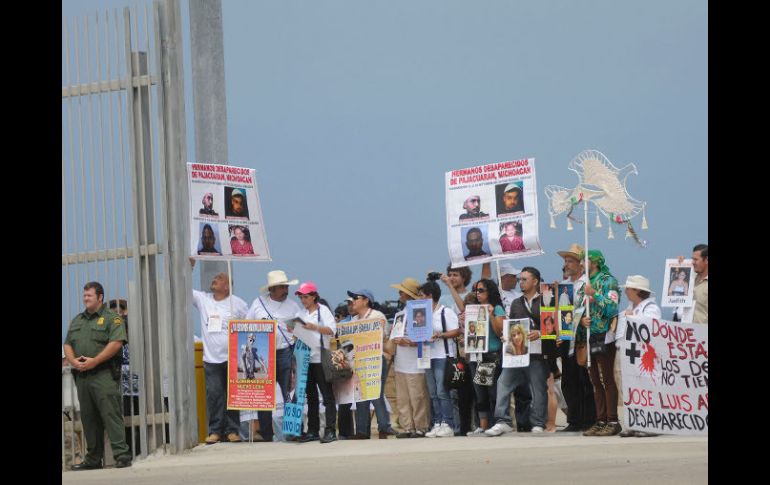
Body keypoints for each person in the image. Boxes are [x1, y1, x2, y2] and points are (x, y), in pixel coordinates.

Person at [63, 282, 132, 469]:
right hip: (82, 376)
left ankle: (121, 454)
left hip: (103, 374)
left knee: (111, 413)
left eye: (89, 296)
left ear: (100, 297)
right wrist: (73, 361)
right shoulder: (78, 320)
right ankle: (93, 459)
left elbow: (117, 343)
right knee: (89, 417)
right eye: (84, 295)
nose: (85, 299)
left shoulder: (112, 319)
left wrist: (95, 361)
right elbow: (68, 343)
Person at [189, 262, 249, 444]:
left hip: (233, 358)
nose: (215, 279)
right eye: (215, 278)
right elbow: (183, 288)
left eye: (219, 278)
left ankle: (232, 430)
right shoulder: (203, 299)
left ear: (227, 286)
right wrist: (189, 268)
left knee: (233, 395)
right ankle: (215, 431)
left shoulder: (238, 304)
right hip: (211, 359)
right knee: (214, 395)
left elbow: (249, 328)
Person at [486, 267, 547, 436]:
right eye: (520, 279)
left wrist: (541, 333)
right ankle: (502, 420)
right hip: (516, 353)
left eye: (524, 279)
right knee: (503, 383)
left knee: (537, 388)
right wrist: (506, 336)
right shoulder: (516, 303)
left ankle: (538, 422)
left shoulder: (545, 301)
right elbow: (512, 324)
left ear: (535, 281)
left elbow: (553, 326)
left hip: (537, 352)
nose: (521, 282)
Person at [246, 270, 302, 441]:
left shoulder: (293, 306)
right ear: (272, 289)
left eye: (286, 286)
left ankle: (292, 430)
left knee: (289, 391)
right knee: (264, 393)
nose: (286, 290)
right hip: (263, 353)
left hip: (285, 351)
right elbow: (248, 325)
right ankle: (265, 432)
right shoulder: (258, 303)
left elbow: (299, 331)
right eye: (282, 287)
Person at [578, 249, 622, 437]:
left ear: (594, 262)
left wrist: (594, 294)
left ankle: (613, 420)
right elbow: (578, 309)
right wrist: (582, 321)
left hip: (604, 335)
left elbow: (612, 308)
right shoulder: (584, 284)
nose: (581, 264)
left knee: (606, 378)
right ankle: (600, 419)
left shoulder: (608, 280)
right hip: (590, 335)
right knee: (595, 380)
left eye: (584, 261)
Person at [555, 243, 596, 433]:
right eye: (565, 260)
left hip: (582, 338)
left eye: (570, 260)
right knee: (568, 380)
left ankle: (589, 418)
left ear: (581, 264)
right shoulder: (566, 286)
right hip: (568, 338)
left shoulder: (588, 283)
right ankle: (574, 419)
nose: (566, 264)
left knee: (584, 379)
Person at [615, 275, 662, 438]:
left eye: (628, 288)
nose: (626, 291)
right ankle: (635, 422)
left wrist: (631, 317)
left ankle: (652, 425)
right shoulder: (631, 306)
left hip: (645, 357)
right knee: (631, 390)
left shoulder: (651, 308)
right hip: (629, 356)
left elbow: (651, 327)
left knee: (647, 389)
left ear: (636, 290)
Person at [291, 282, 338, 444]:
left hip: (320, 357)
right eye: (301, 297)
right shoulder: (301, 313)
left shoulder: (323, 311)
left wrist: (314, 327)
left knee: (327, 396)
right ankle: (312, 430)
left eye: (305, 297)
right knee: (310, 396)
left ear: (313, 297)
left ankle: (330, 430)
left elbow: (332, 330)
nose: (303, 300)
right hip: (305, 358)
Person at [346, 289, 396, 439]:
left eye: (356, 298)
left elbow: (381, 336)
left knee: (376, 393)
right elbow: (348, 343)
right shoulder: (353, 321)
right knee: (360, 395)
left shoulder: (377, 316)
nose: (353, 301)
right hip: (359, 361)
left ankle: (384, 427)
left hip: (375, 359)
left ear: (366, 300)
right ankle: (362, 430)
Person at [389, 277, 431, 438]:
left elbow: (424, 337)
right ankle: (408, 427)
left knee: (418, 396)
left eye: (402, 291)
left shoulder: (420, 311)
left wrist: (408, 342)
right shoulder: (400, 314)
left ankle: (421, 426)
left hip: (416, 361)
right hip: (401, 361)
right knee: (403, 398)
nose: (399, 294)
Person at [419, 281, 461, 438]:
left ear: (430, 296)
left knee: (443, 390)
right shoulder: (421, 314)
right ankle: (437, 422)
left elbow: (456, 331)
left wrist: (440, 335)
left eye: (422, 296)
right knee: (433, 392)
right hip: (427, 355)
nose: (420, 299)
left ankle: (448, 423)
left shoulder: (445, 312)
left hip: (442, 355)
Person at [466, 279, 505, 436]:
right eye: (476, 290)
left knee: (492, 392)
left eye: (481, 290)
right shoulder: (474, 309)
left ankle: (496, 423)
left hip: (491, 355)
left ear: (490, 291)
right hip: (476, 355)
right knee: (479, 392)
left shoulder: (497, 308)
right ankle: (482, 425)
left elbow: (500, 332)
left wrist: (490, 315)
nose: (478, 293)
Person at [109, 298, 140, 455]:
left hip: (140, 382)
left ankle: (141, 449)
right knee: (125, 418)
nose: (118, 317)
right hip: (122, 383)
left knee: (141, 417)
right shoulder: (111, 332)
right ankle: (129, 450)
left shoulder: (134, 327)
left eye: (120, 312)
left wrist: (125, 315)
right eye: (114, 313)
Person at [673, 244, 708, 324]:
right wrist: (681, 264)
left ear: (706, 260)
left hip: (703, 334)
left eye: (696, 260)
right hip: (684, 332)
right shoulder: (690, 278)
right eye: (692, 259)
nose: (693, 262)